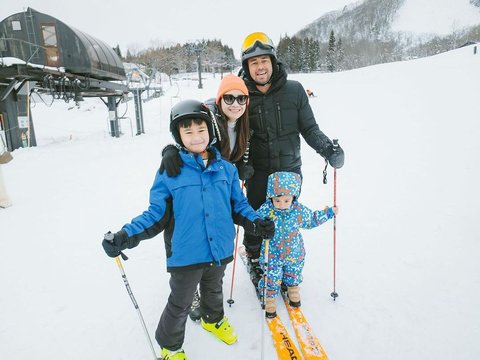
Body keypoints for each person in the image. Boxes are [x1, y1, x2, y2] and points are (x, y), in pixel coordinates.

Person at [102, 99, 274, 360]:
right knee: (181, 301)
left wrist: (256, 221)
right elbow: (155, 215)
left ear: (211, 132)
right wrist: (125, 236)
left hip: (219, 249)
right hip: (186, 253)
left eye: (201, 130)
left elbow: (239, 206)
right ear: (178, 137)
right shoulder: (170, 172)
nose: (196, 137)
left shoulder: (226, 169)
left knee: (214, 287)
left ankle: (213, 319)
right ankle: (170, 345)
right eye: (188, 131)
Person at [238, 32, 345, 286]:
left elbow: (309, 129)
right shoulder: (241, 95)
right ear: (246, 67)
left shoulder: (295, 90)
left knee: (286, 217)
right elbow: (231, 133)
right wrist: (239, 165)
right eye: (253, 62)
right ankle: (254, 257)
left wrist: (328, 150)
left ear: (273, 61)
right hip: (257, 172)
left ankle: (284, 260)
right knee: (255, 216)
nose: (260, 66)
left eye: (264, 60)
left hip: (288, 170)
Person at [256, 171, 337, 318]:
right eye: (277, 200)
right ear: (271, 197)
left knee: (293, 272)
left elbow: (312, 219)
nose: (281, 205)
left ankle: (293, 288)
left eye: (286, 201)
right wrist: (257, 226)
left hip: (294, 251)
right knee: (272, 276)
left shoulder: (297, 210)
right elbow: (254, 222)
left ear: (293, 198)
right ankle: (269, 297)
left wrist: (329, 213)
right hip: (272, 253)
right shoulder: (266, 210)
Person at [160, 74, 254, 181]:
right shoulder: (207, 119)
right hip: (206, 181)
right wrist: (170, 150)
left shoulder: (246, 124)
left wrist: (243, 164)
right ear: (219, 100)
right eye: (229, 98)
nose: (236, 104)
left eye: (241, 98)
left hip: (225, 182)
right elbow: (187, 135)